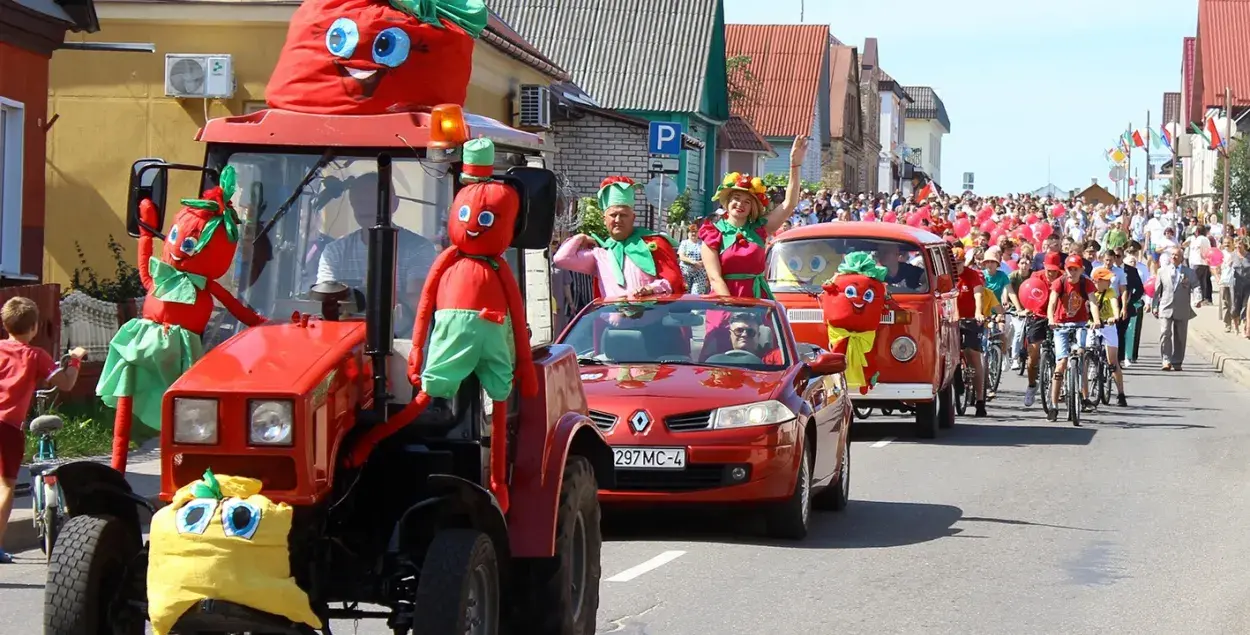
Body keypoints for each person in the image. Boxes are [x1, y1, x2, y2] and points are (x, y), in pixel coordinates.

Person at [0, 298, 88, 564]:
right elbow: (66, 383)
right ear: (35, 327)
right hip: (8, 427)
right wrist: (74, 360)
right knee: (5, 486)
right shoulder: (36, 355)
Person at [702, 137, 809, 299]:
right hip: (725, 303)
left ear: (753, 208)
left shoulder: (759, 229)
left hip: (757, 301)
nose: (740, 204)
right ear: (727, 202)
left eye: (747, 202)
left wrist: (795, 165)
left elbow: (789, 204)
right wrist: (734, 311)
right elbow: (714, 278)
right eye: (736, 198)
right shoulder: (713, 232)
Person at [316, 172, 439, 308]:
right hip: (342, 327)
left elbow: (418, 302)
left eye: (372, 201)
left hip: (397, 329)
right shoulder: (335, 251)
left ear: (394, 204)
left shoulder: (418, 248)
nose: (364, 208)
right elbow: (323, 300)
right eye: (358, 202)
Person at [553, 176, 685, 299]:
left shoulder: (653, 243)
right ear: (604, 219)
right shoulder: (600, 253)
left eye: (623, 215)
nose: (617, 220)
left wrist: (650, 289)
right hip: (611, 322)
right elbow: (561, 259)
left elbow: (673, 280)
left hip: (649, 319)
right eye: (613, 215)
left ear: (633, 218)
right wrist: (580, 237)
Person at [1047, 254, 1102, 422]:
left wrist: (1096, 320)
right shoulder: (1060, 282)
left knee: (1080, 354)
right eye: (1069, 269)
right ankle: (1054, 404)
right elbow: (1052, 303)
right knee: (1061, 363)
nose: (1072, 272)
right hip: (1061, 325)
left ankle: (1082, 396)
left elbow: (1092, 302)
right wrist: (1051, 319)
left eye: (1075, 269)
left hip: (1080, 323)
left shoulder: (1086, 283)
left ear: (1081, 270)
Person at [952, 248, 988, 417]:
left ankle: (980, 400)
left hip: (970, 318)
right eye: (954, 263)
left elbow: (978, 295)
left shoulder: (972, 275)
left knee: (973, 355)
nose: (956, 266)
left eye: (959, 263)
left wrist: (978, 313)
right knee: (950, 352)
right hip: (952, 319)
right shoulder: (946, 275)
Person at [1154, 246, 1200, 371]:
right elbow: (1157, 290)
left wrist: (1198, 299)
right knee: (1165, 333)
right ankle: (1166, 359)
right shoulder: (1162, 271)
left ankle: (1177, 361)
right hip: (1165, 306)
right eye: (1172, 255)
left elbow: (1196, 286)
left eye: (1177, 255)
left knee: (1180, 336)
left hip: (1182, 307)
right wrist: (1154, 306)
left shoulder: (1189, 272)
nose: (1174, 257)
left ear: (1182, 258)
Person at [1091, 267, 1127, 406]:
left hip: (1107, 326)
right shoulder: (1090, 292)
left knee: (1112, 361)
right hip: (1092, 326)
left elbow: (1114, 304)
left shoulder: (1110, 292)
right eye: (1107, 280)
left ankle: (1121, 393)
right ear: (1098, 281)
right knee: (1085, 350)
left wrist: (1115, 316)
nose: (1110, 281)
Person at [1218, 236, 1243, 333]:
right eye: (1225, 243)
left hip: (1235, 281)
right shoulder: (1221, 254)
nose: (1226, 245)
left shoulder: (1236, 254)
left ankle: (1236, 323)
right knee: (1225, 303)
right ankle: (1227, 324)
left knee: (1235, 303)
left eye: (1228, 242)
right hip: (1224, 281)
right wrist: (1217, 277)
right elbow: (1216, 266)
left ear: (1232, 243)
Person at [678, 222, 709, 294]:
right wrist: (693, 262)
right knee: (685, 294)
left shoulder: (703, 243)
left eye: (695, 232)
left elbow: (708, 257)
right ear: (688, 233)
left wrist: (700, 263)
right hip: (686, 273)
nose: (693, 234)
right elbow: (682, 256)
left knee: (696, 294)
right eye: (691, 232)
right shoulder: (684, 243)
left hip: (699, 273)